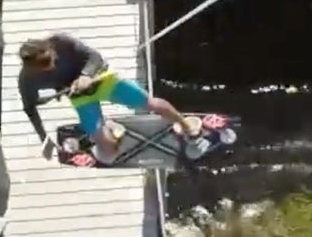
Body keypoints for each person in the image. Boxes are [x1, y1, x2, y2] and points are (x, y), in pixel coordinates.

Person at [17, 33, 198, 160]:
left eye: (52, 59)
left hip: (101, 80)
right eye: (43, 66)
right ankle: (108, 130)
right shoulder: (26, 81)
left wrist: (86, 75)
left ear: (50, 47)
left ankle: (184, 123)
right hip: (80, 97)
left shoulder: (61, 41)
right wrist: (44, 138)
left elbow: (94, 57)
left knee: (151, 104)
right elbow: (30, 109)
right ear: (31, 67)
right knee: (107, 147)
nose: (51, 66)